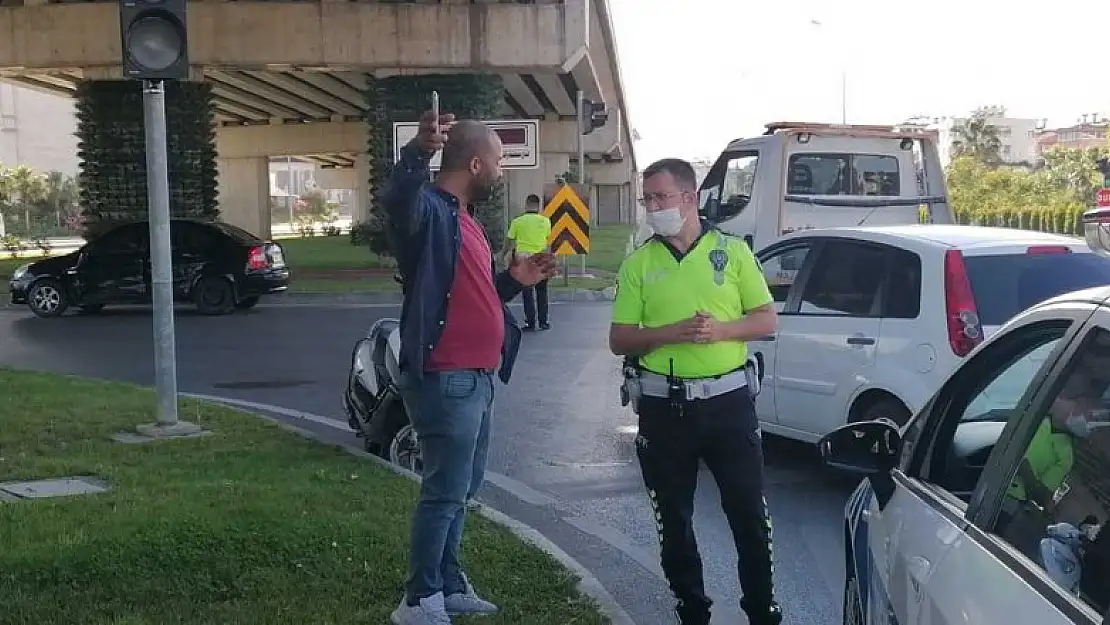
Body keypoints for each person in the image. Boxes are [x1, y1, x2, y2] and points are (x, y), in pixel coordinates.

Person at [383, 110, 558, 625]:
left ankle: (450, 584)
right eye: (500, 161)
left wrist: (514, 280)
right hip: (447, 376)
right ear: (477, 162)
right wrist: (418, 152)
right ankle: (419, 600)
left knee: (463, 490)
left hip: (478, 378)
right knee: (443, 492)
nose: (502, 172)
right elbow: (396, 202)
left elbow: (470, 297)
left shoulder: (465, 221)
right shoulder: (430, 213)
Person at [608, 158, 782, 625]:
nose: (653, 207)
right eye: (648, 199)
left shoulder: (733, 252)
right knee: (675, 520)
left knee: (748, 514)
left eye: (661, 198)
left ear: (690, 199)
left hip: (729, 406)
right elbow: (620, 338)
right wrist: (671, 333)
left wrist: (721, 331)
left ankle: (762, 610)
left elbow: (766, 320)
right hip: (666, 408)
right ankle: (692, 608)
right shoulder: (639, 263)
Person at [506, 193, 553, 330]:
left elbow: (509, 240)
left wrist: (504, 253)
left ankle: (530, 322)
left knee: (527, 292)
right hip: (540, 257)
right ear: (538, 206)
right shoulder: (546, 222)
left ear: (526, 205)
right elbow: (548, 242)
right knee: (542, 291)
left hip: (524, 259)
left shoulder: (517, 221)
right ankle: (543, 322)